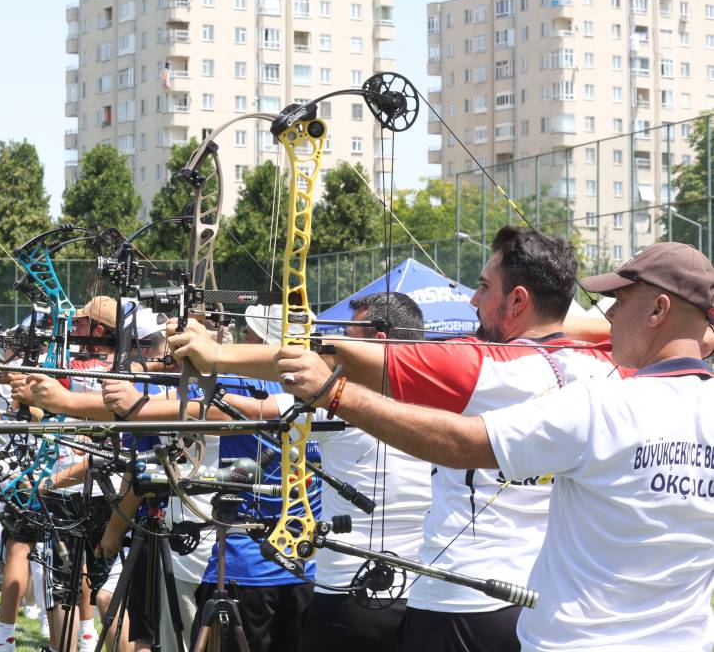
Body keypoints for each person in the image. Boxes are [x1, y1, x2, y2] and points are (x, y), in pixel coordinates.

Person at [169, 227, 621, 652]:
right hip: (544, 601)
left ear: (518, 300)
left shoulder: (484, 368)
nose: (473, 300)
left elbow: (334, 354)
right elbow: (683, 332)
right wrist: (561, 329)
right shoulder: (606, 367)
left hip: (461, 601)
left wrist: (216, 354)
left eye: (485, 287)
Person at [275, 241, 714, 651]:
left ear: (659, 310)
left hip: (566, 638)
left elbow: (462, 442)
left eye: (621, 301)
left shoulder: (601, 403)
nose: (610, 315)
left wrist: (334, 394)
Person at [299, 292, 431, 652]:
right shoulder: (446, 400)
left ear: (379, 341)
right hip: (425, 599)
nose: (339, 345)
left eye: (348, 335)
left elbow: (257, 410)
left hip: (348, 598)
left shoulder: (339, 401)